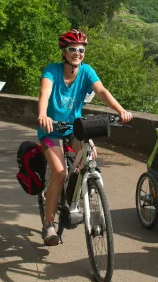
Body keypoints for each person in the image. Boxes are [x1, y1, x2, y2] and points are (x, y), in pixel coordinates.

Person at [37, 29, 132, 246]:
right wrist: (43, 115)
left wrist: (120, 110)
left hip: (74, 127)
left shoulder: (87, 71)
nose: (77, 53)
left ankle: (80, 195)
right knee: (60, 172)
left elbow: (101, 91)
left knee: (90, 157)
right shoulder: (52, 70)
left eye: (81, 50)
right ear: (64, 51)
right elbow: (45, 93)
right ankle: (49, 223)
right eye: (72, 49)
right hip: (51, 129)